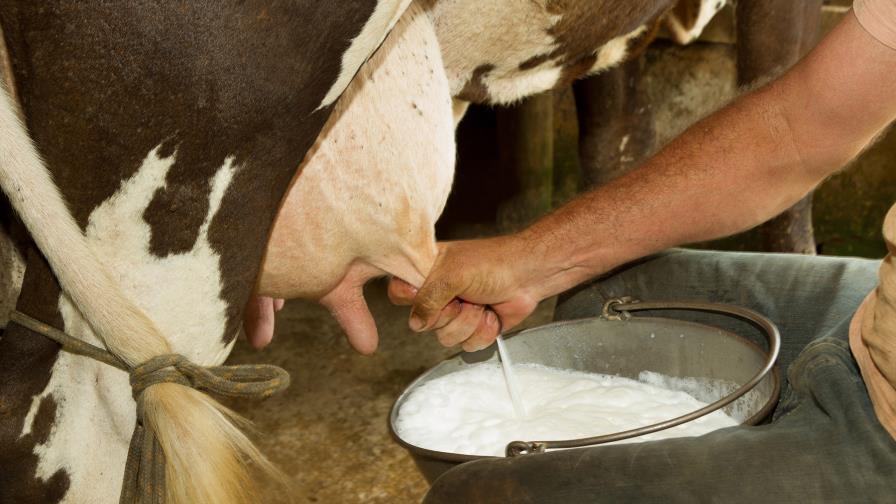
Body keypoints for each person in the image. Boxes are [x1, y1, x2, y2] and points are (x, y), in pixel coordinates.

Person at [386, 2, 896, 502]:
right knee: (606, 294)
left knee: (476, 494)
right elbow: (797, 127)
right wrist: (527, 263)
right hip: (873, 311)